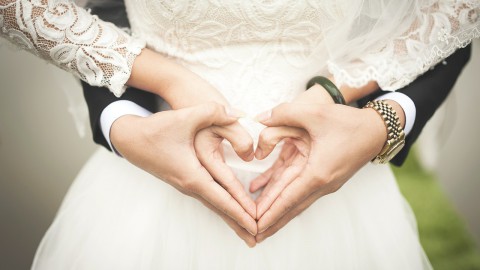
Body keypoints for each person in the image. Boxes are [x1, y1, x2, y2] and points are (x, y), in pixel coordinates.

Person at [0, 0, 478, 269]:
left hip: (338, 195)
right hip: (150, 196)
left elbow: (454, 11)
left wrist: (362, 112)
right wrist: (161, 85)